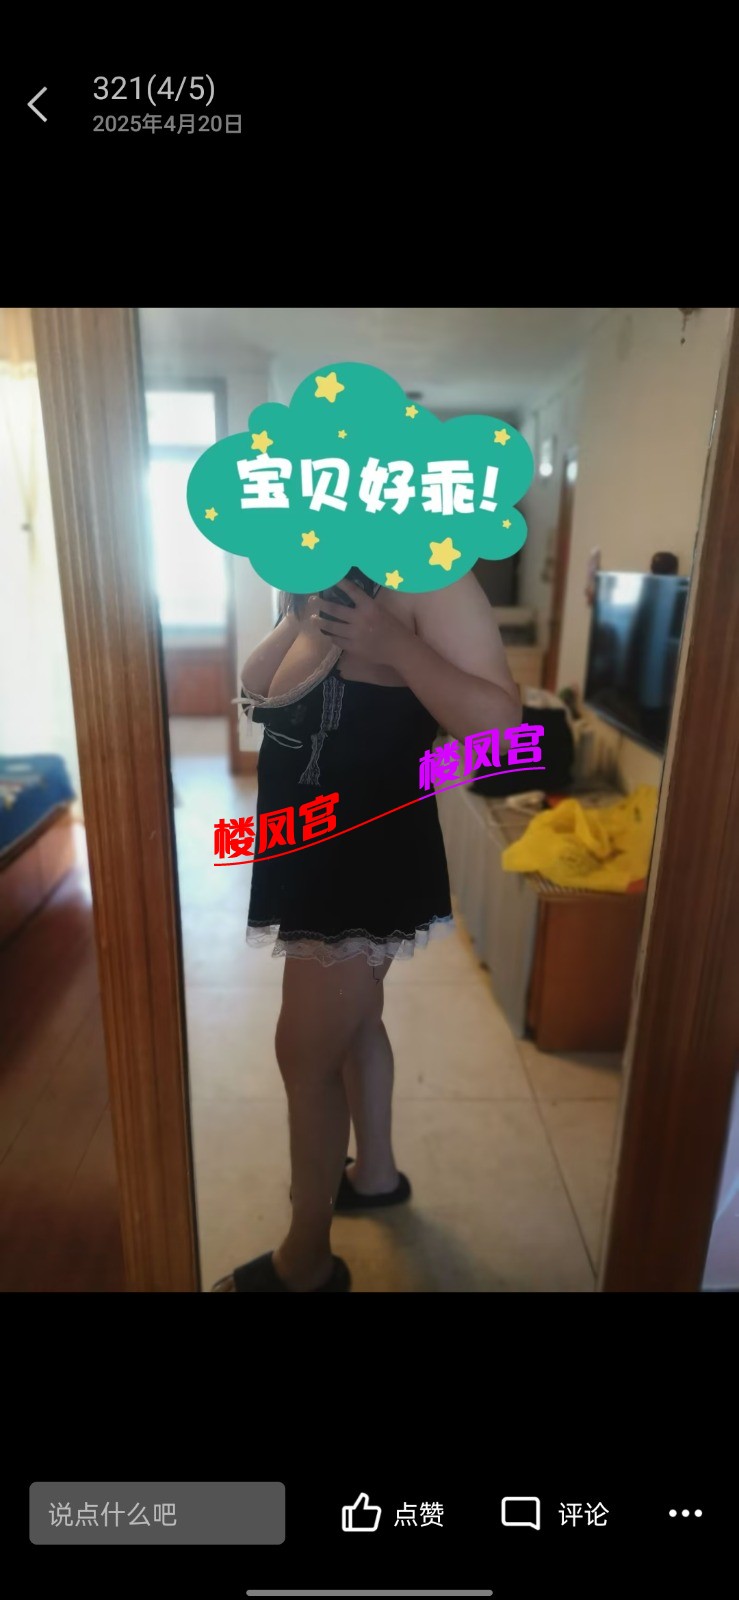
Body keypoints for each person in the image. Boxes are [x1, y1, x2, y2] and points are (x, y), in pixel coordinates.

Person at [211, 570, 521, 1292]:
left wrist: (395, 646)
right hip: (308, 840)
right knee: (352, 1024)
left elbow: (504, 733)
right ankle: (374, 1173)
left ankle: (305, 1263)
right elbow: (259, 688)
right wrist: (297, 613)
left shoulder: (433, 577)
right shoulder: (324, 572)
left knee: (304, 1053)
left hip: (360, 854)